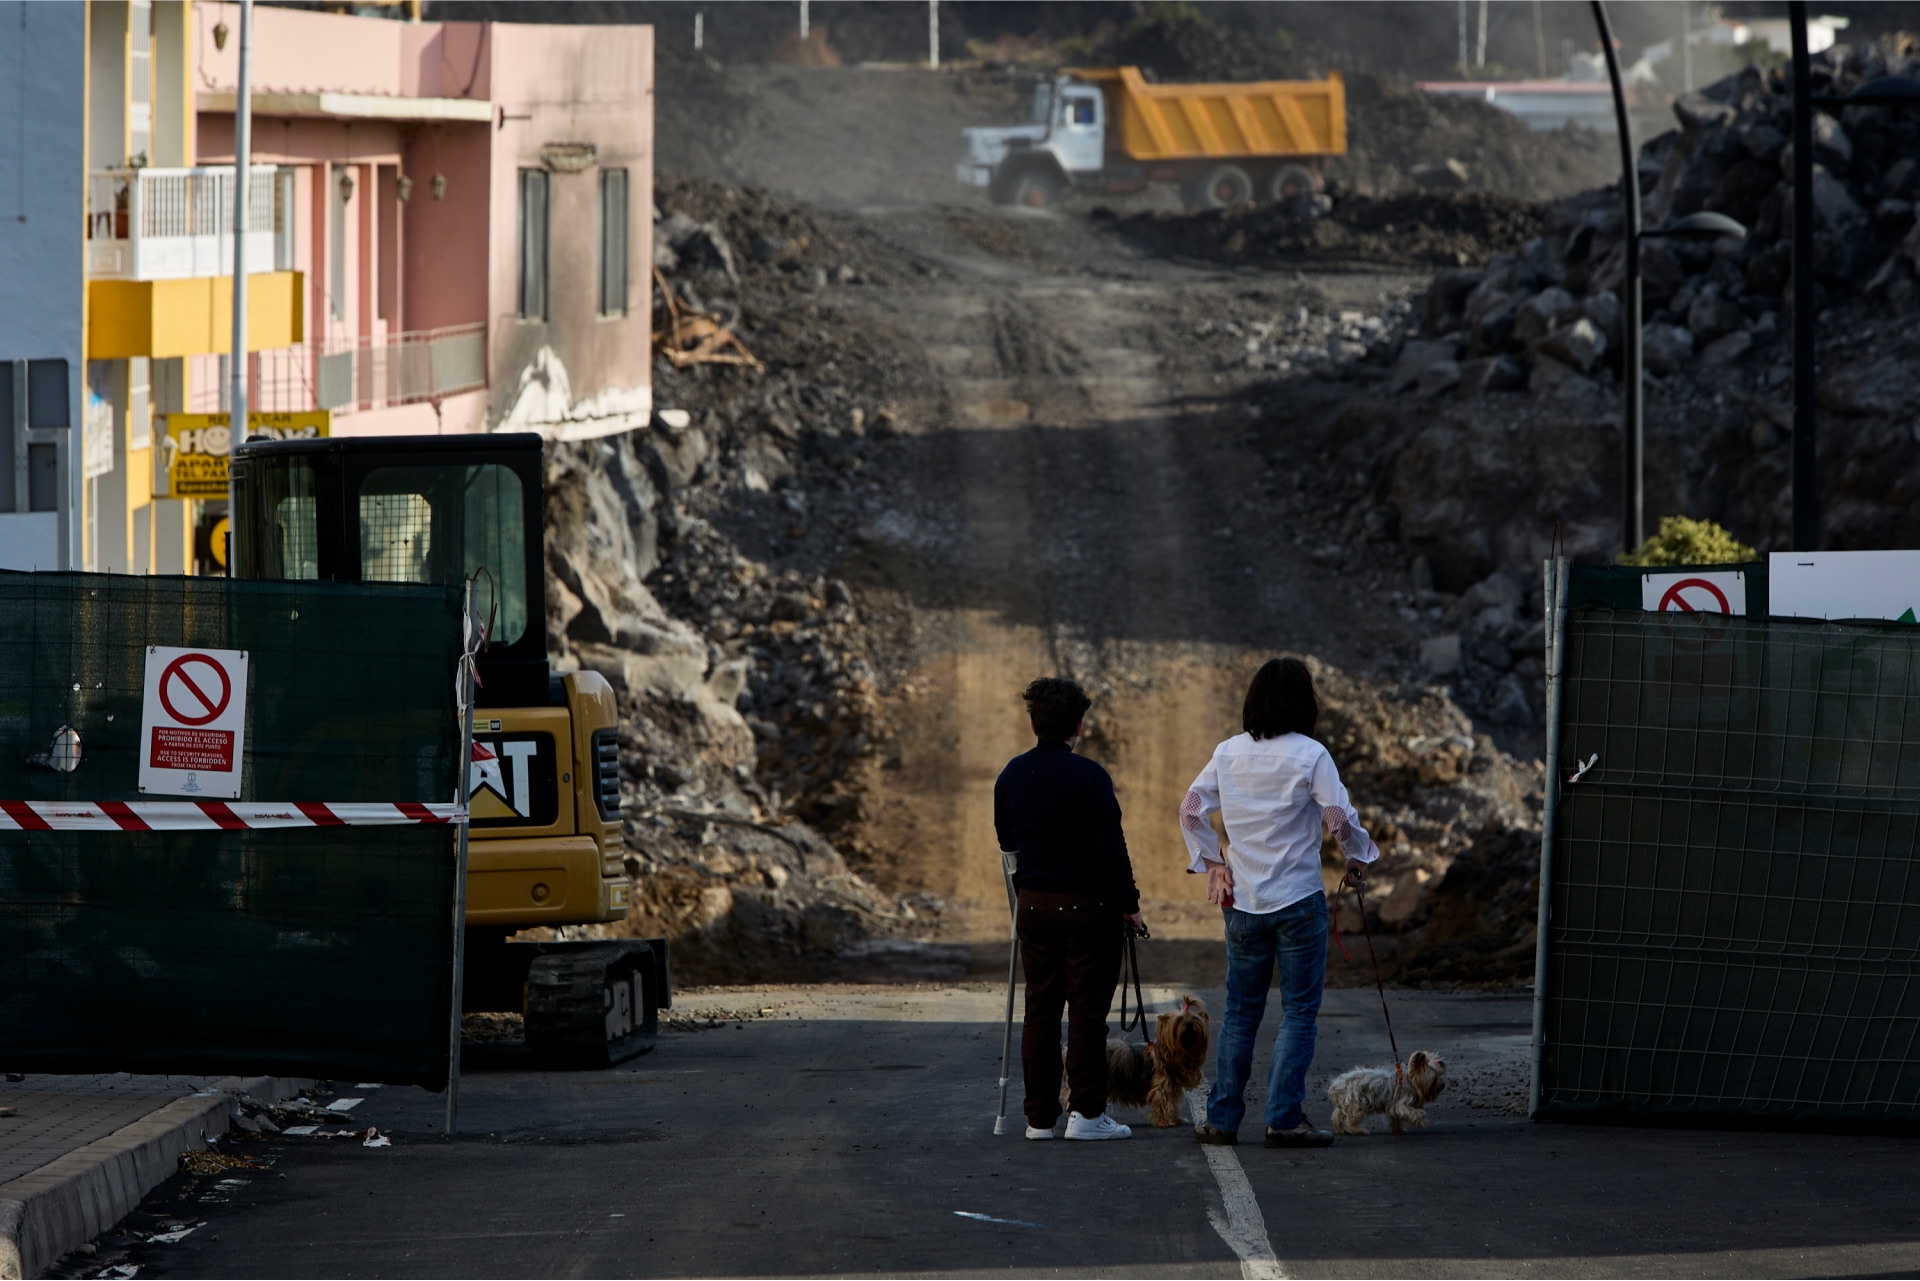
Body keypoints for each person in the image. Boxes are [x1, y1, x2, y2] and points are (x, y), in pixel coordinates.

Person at [1179, 657, 1378, 1148]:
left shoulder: (1227, 752)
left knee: (1242, 1013)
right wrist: (1358, 856)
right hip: (1297, 901)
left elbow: (1189, 809)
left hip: (1244, 903)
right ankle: (1283, 1118)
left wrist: (1213, 862)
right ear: (1302, 703)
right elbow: (1335, 814)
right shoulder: (1312, 754)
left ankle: (1222, 1120)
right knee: (1298, 1013)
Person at [994, 677, 1146, 1142]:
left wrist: (1027, 898)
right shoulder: (1089, 776)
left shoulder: (1010, 776)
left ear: (1033, 720)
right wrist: (1130, 907)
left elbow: (1008, 848)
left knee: (1040, 1009)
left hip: (1034, 906)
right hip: (1088, 909)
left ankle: (1039, 1119)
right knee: (1085, 1011)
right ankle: (1086, 1115)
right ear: (1078, 724)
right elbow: (1110, 849)